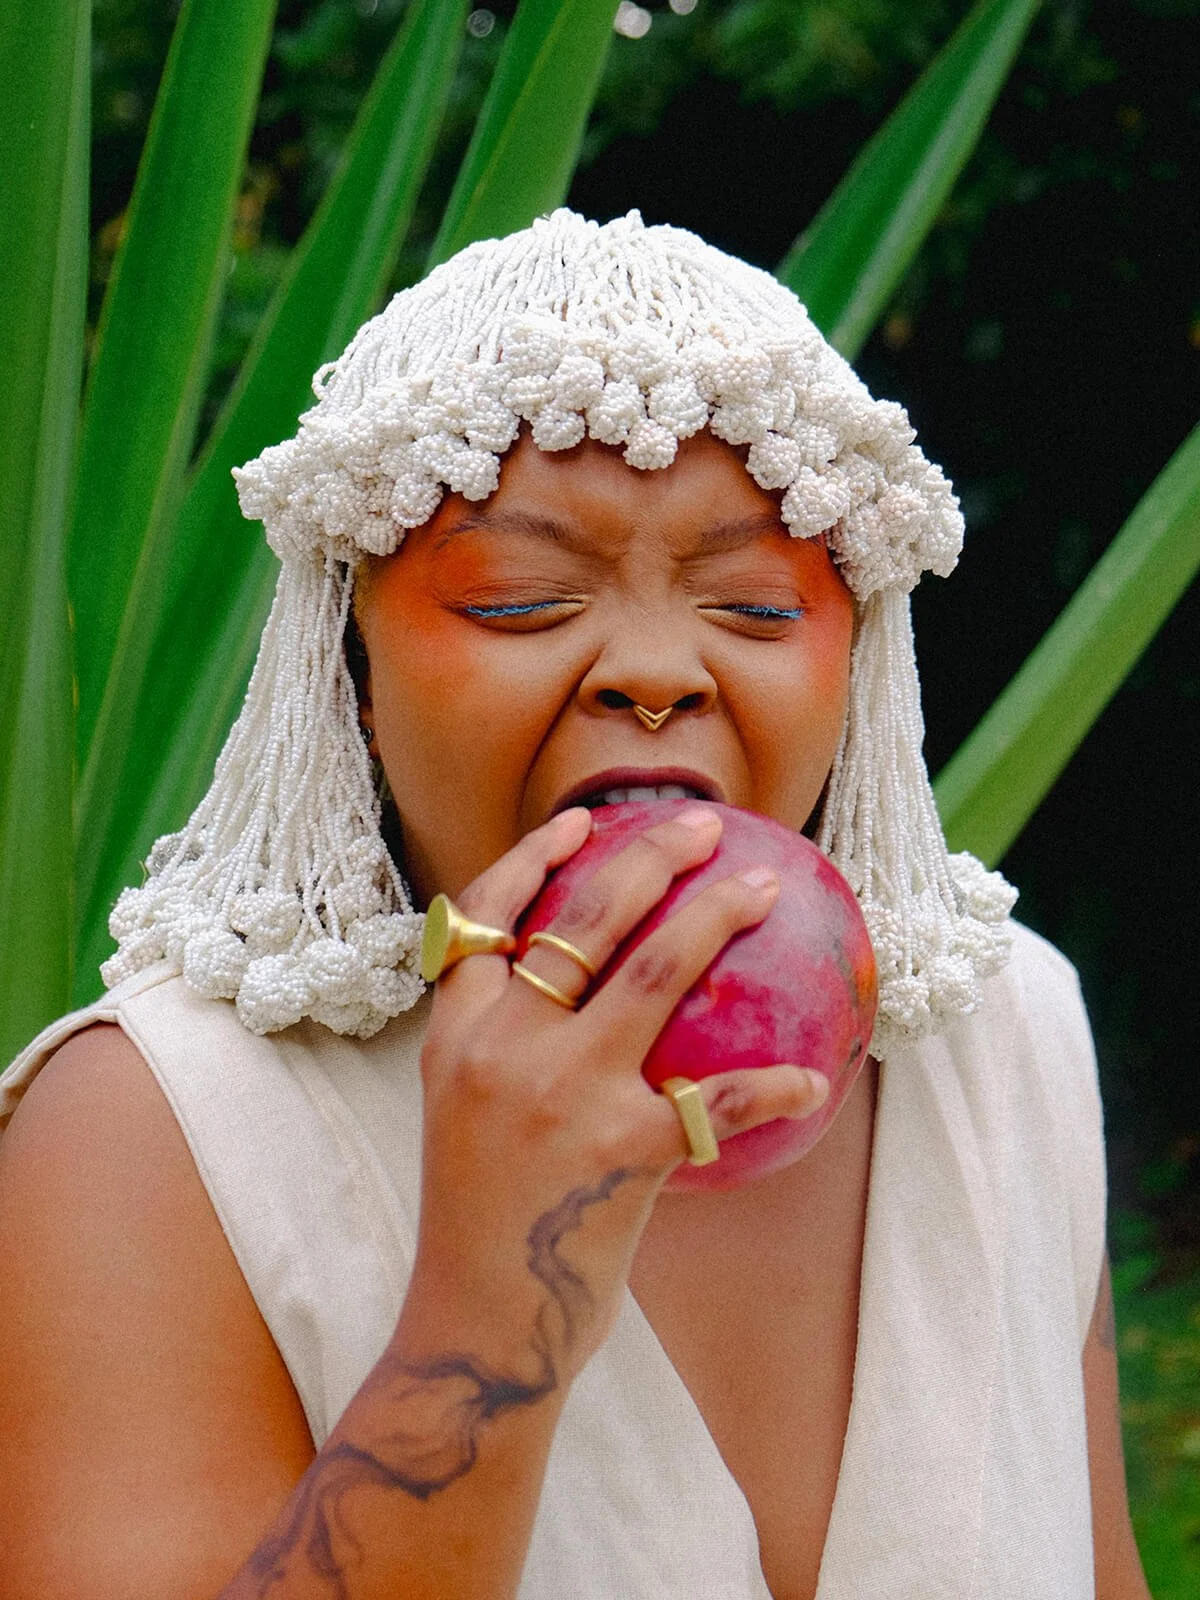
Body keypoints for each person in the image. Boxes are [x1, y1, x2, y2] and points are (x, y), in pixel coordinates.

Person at [0, 210, 1149, 1599]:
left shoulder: (1006, 1040)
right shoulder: (149, 1133)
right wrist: (484, 1318)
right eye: (521, 602)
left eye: (758, 608)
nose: (653, 674)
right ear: (350, 675)